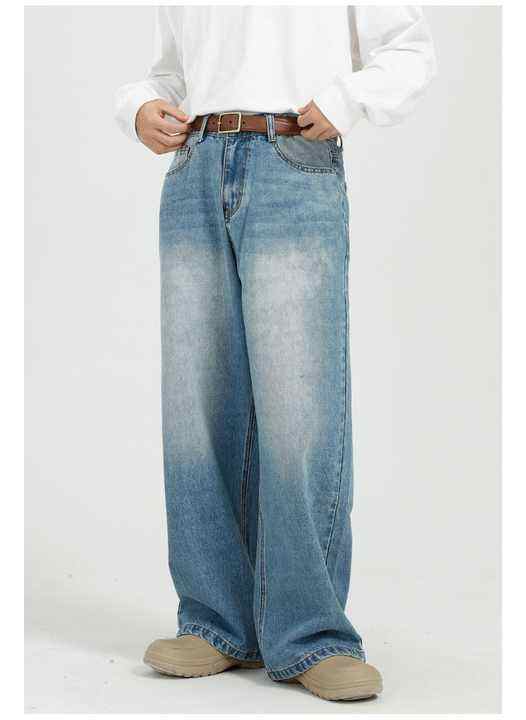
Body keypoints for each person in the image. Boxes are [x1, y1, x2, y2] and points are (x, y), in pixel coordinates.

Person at [114, 5, 436, 702]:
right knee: (197, 409)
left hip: (292, 160)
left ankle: (311, 633)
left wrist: (347, 99)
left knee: (299, 408)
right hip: (194, 166)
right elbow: (174, 72)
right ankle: (215, 623)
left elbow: (409, 49)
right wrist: (139, 106)